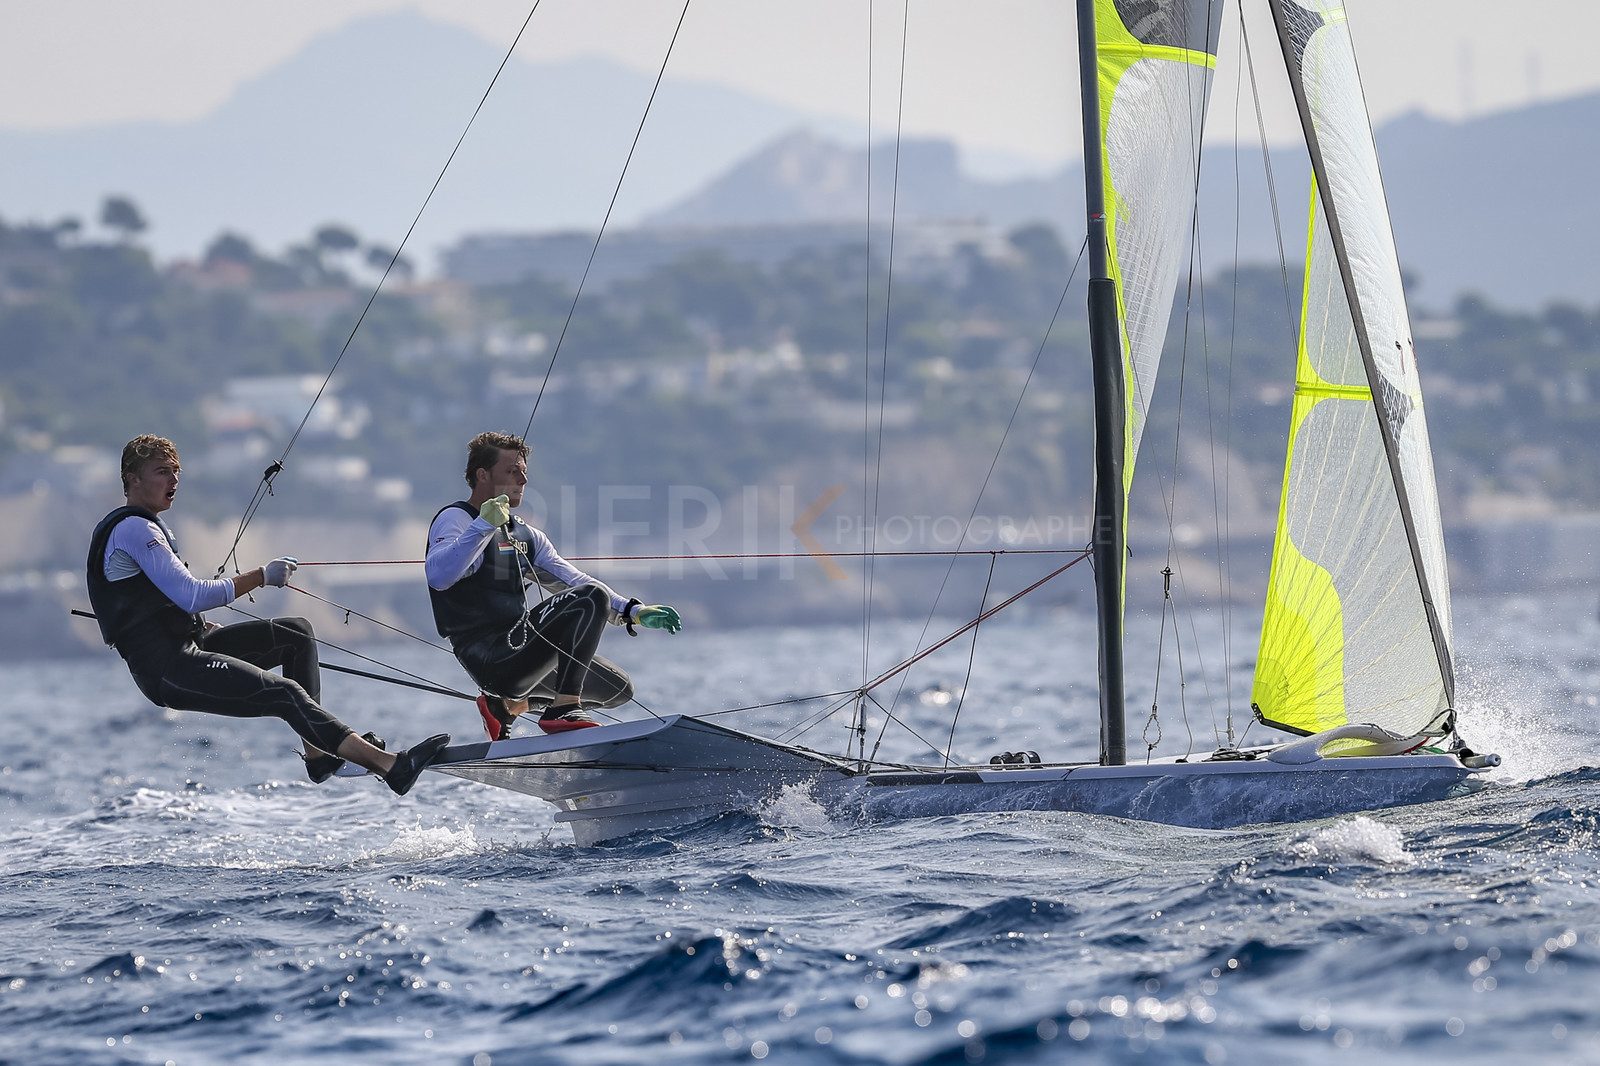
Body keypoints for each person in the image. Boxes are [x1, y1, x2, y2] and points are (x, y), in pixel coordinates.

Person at [86, 435, 450, 794]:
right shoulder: (134, 528)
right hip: (167, 669)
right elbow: (192, 595)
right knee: (285, 694)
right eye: (162, 471)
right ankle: (392, 767)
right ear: (133, 479)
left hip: (189, 646)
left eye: (176, 470)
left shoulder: (146, 526)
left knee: (296, 634)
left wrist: (195, 625)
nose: (174, 479)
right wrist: (261, 576)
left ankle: (319, 755)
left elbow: (159, 601)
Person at [425, 431, 681, 740]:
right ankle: (564, 709)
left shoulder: (526, 535)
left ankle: (508, 707)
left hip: (522, 650)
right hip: (489, 657)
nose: (523, 480)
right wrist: (482, 526)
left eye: (524, 471)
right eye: (512, 471)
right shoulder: (456, 519)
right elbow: (439, 576)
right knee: (591, 597)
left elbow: (575, 581)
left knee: (617, 688)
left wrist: (632, 611)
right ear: (482, 475)